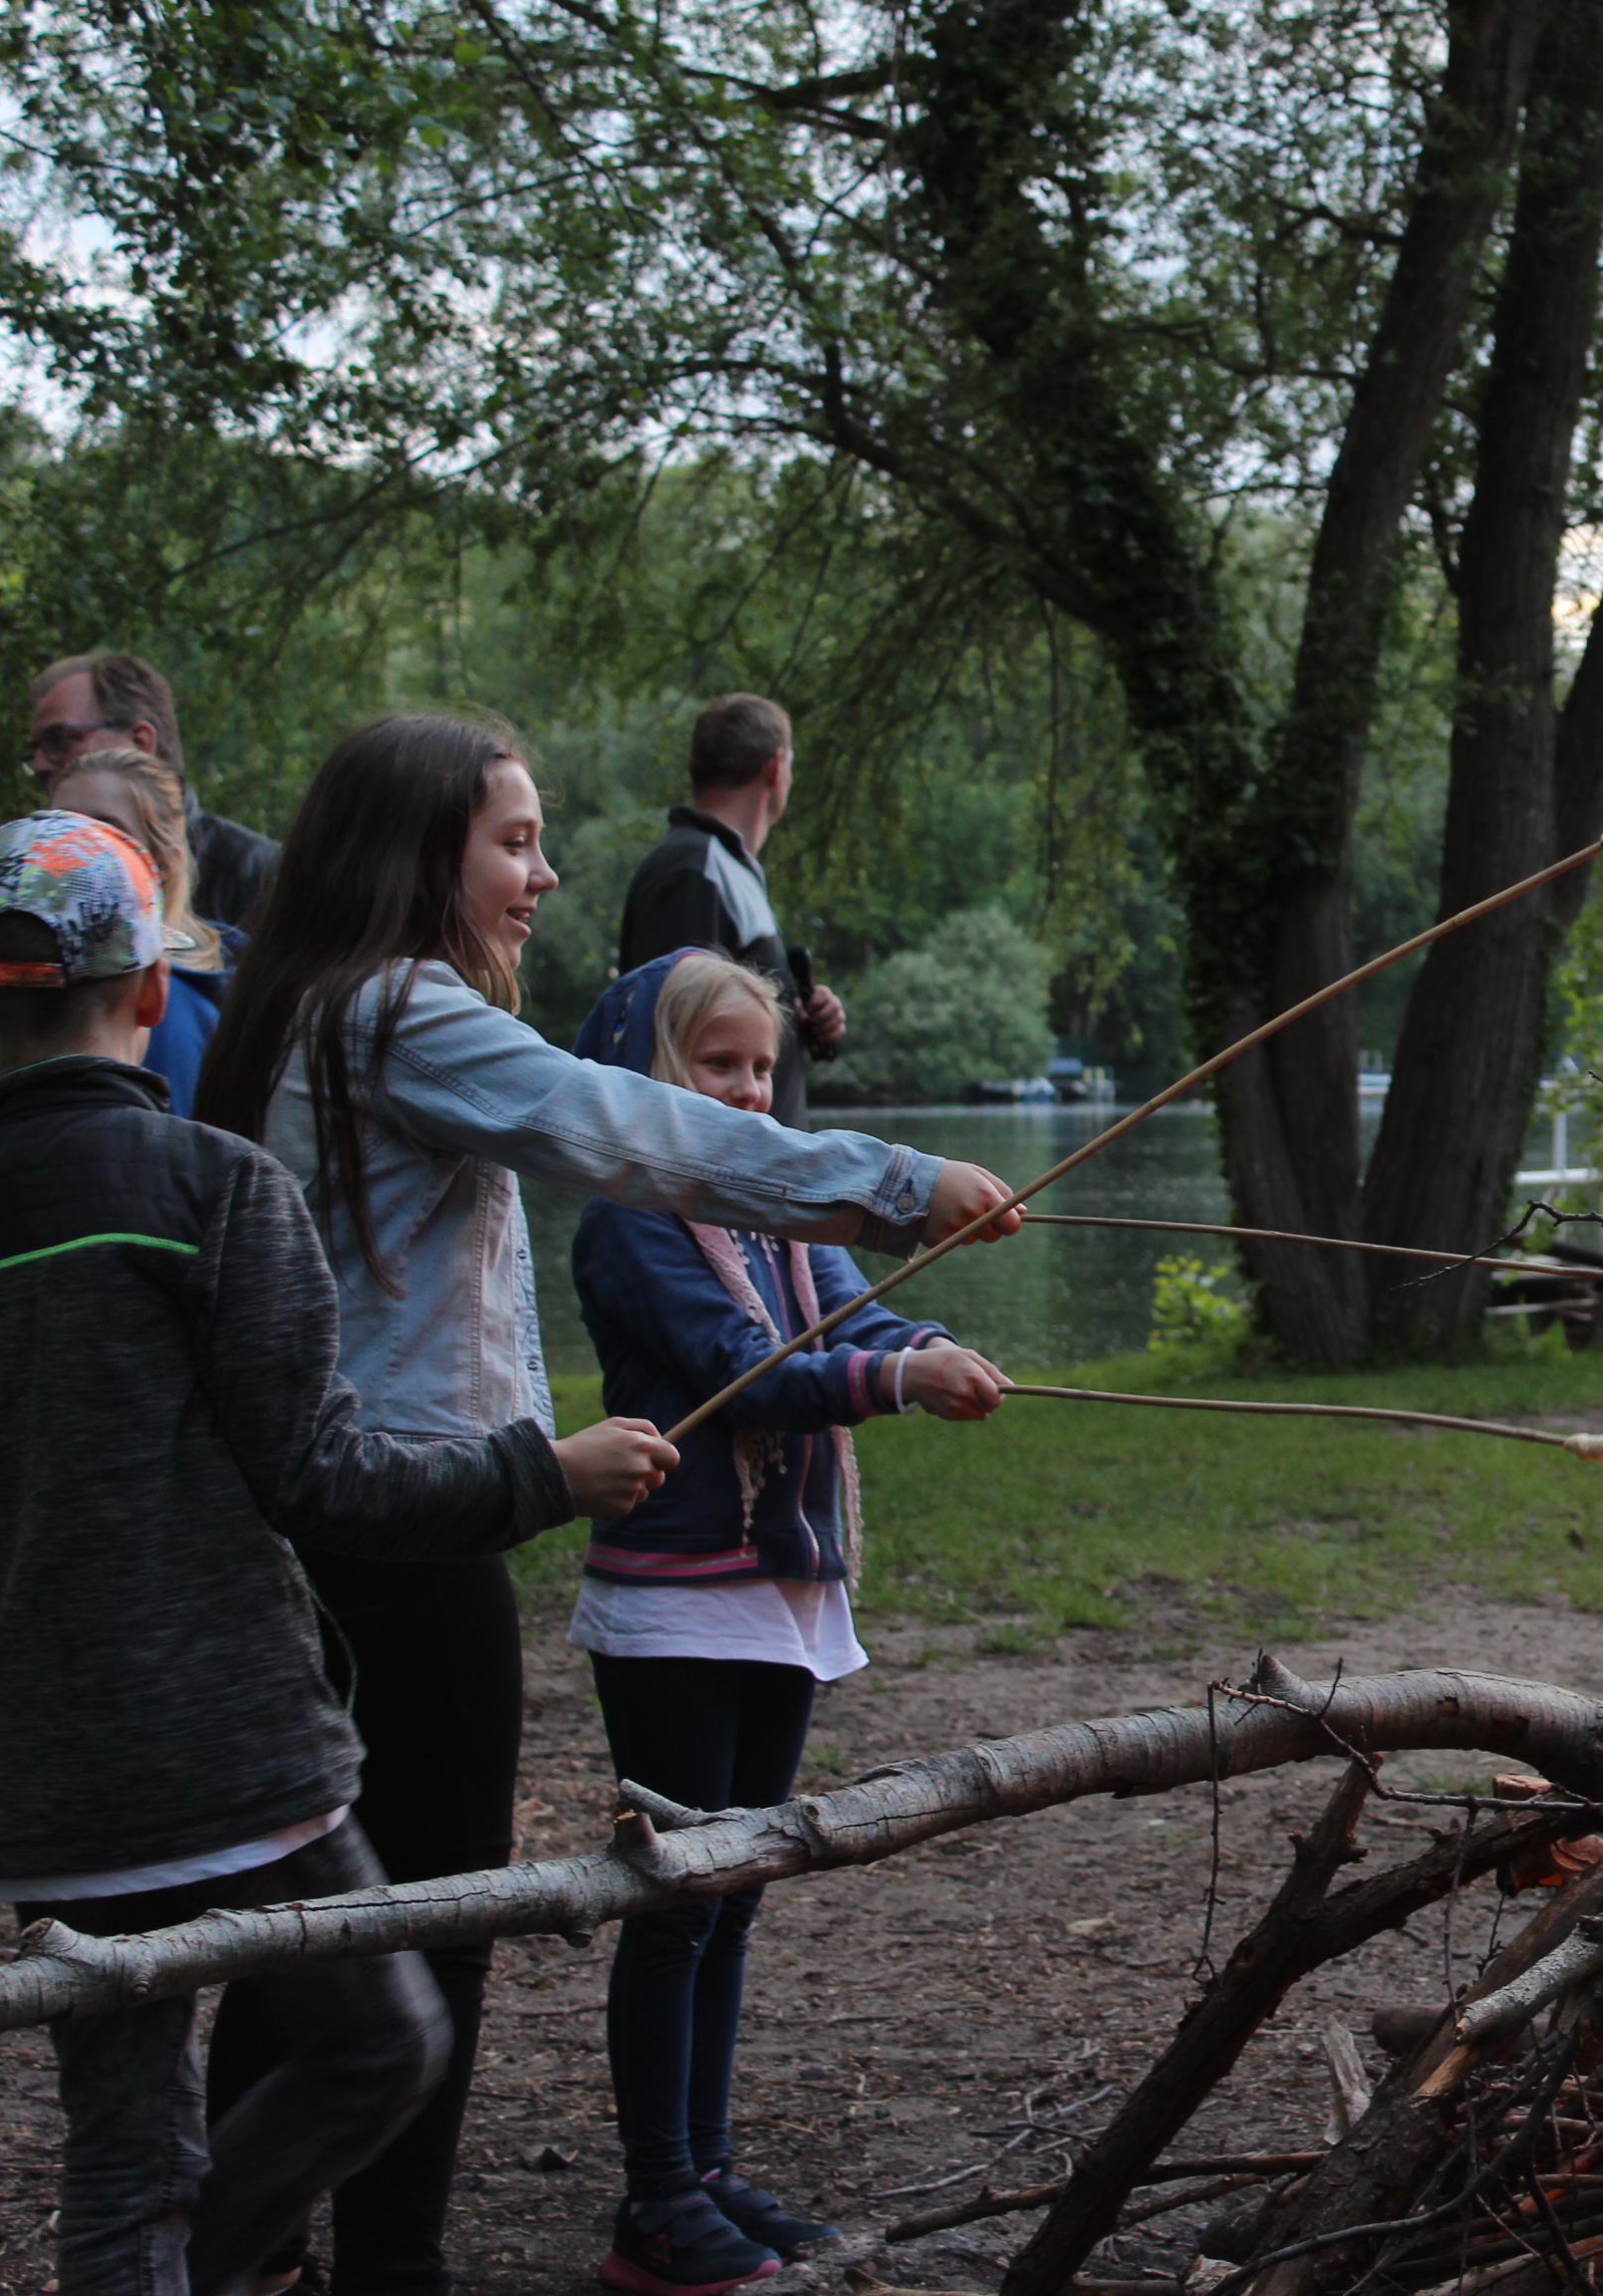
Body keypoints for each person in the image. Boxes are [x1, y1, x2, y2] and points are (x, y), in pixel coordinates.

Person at [191, 714, 1023, 2296]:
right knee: (428, 1917)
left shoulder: (306, 1006)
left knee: (325, 1920)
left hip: (346, 1525)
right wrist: (896, 1182)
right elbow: (626, 1127)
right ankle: (371, 2270)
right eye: (513, 842)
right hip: (401, 1534)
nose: (546, 874)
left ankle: (267, 2260)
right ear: (416, 854)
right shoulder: (393, 1010)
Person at [0, 809, 677, 2296]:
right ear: (155, 990)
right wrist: (543, 1475)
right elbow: (325, 1478)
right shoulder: (211, 1188)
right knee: (380, 2042)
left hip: (43, 1775)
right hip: (231, 1750)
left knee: (123, 2138)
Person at [566, 951, 1009, 2293]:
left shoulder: (780, 1215)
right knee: (677, 1905)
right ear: (647, 1078)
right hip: (677, 1605)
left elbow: (855, 1315)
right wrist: (895, 1382)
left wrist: (926, 1345)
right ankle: (655, 2201)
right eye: (719, 1066)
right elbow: (747, 1370)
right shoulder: (633, 1220)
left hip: (780, 1591)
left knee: (736, 1896)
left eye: (763, 1067)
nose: (750, 1091)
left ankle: (704, 2171)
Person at [617, 696, 846, 1128]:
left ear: (693, 769)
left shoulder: (725, 868)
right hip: (716, 1165)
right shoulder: (693, 869)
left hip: (757, 1159)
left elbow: (719, 1021)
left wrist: (792, 1020)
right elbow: (671, 1032)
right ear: (776, 767)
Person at [50, 746, 242, 1114]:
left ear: (163, 863)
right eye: (59, 829)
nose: (74, 850)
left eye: (106, 833)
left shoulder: (167, 1004)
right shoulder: (35, 980)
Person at [28, 650, 278, 933]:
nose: (39, 764)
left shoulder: (255, 873)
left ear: (140, 742)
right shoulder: (28, 875)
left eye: (58, 740)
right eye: (34, 749)